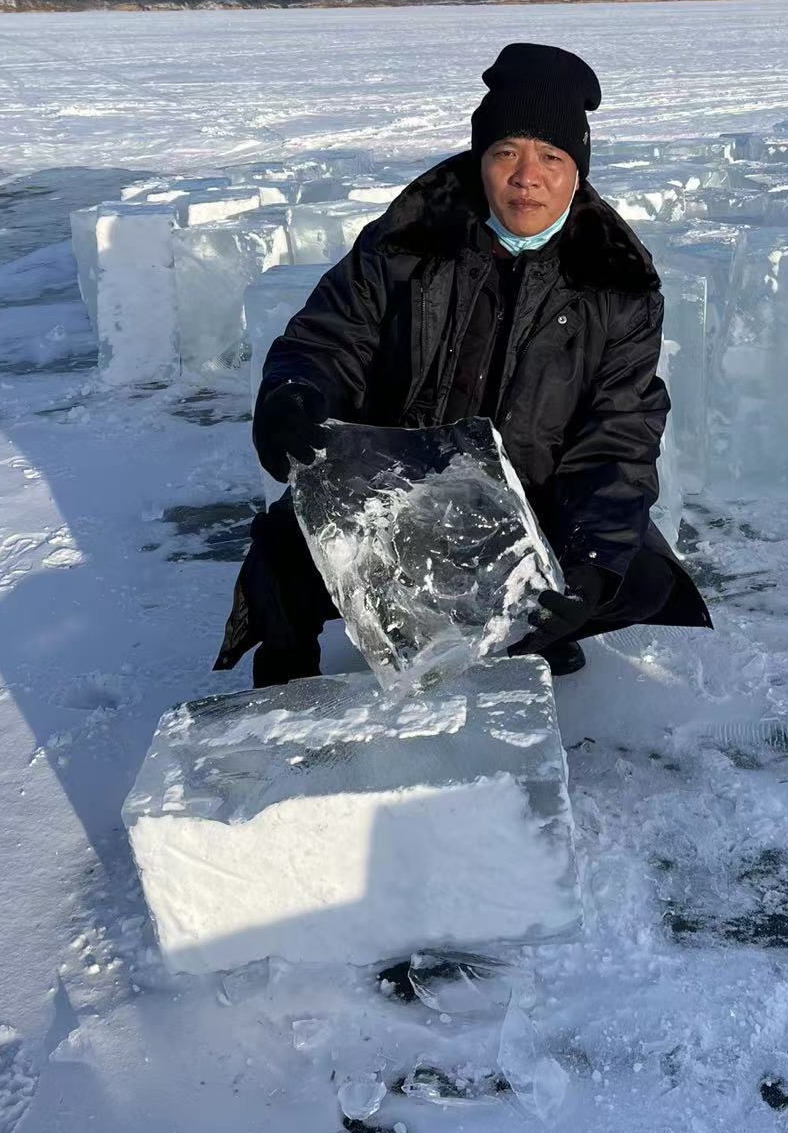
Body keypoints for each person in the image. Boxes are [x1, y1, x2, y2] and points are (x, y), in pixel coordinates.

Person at [215, 42, 713, 688]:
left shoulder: (615, 281)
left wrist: (585, 563)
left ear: (577, 171)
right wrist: (292, 391)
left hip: (531, 509)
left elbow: (620, 432)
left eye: (551, 157)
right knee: (283, 553)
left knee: (628, 574)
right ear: (481, 159)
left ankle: (531, 637)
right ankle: (289, 681)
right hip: (401, 494)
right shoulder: (409, 241)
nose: (526, 175)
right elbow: (330, 336)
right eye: (507, 152)